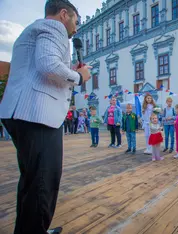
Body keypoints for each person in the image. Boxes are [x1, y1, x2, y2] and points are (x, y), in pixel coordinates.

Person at [0, 1, 92, 233]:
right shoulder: (54, 28)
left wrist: (69, 68)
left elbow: (40, 66)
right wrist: (79, 76)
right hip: (38, 115)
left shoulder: (30, 30)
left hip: (19, 112)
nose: (76, 29)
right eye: (76, 21)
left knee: (31, 180)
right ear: (64, 15)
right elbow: (47, 64)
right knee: (44, 182)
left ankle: (30, 229)